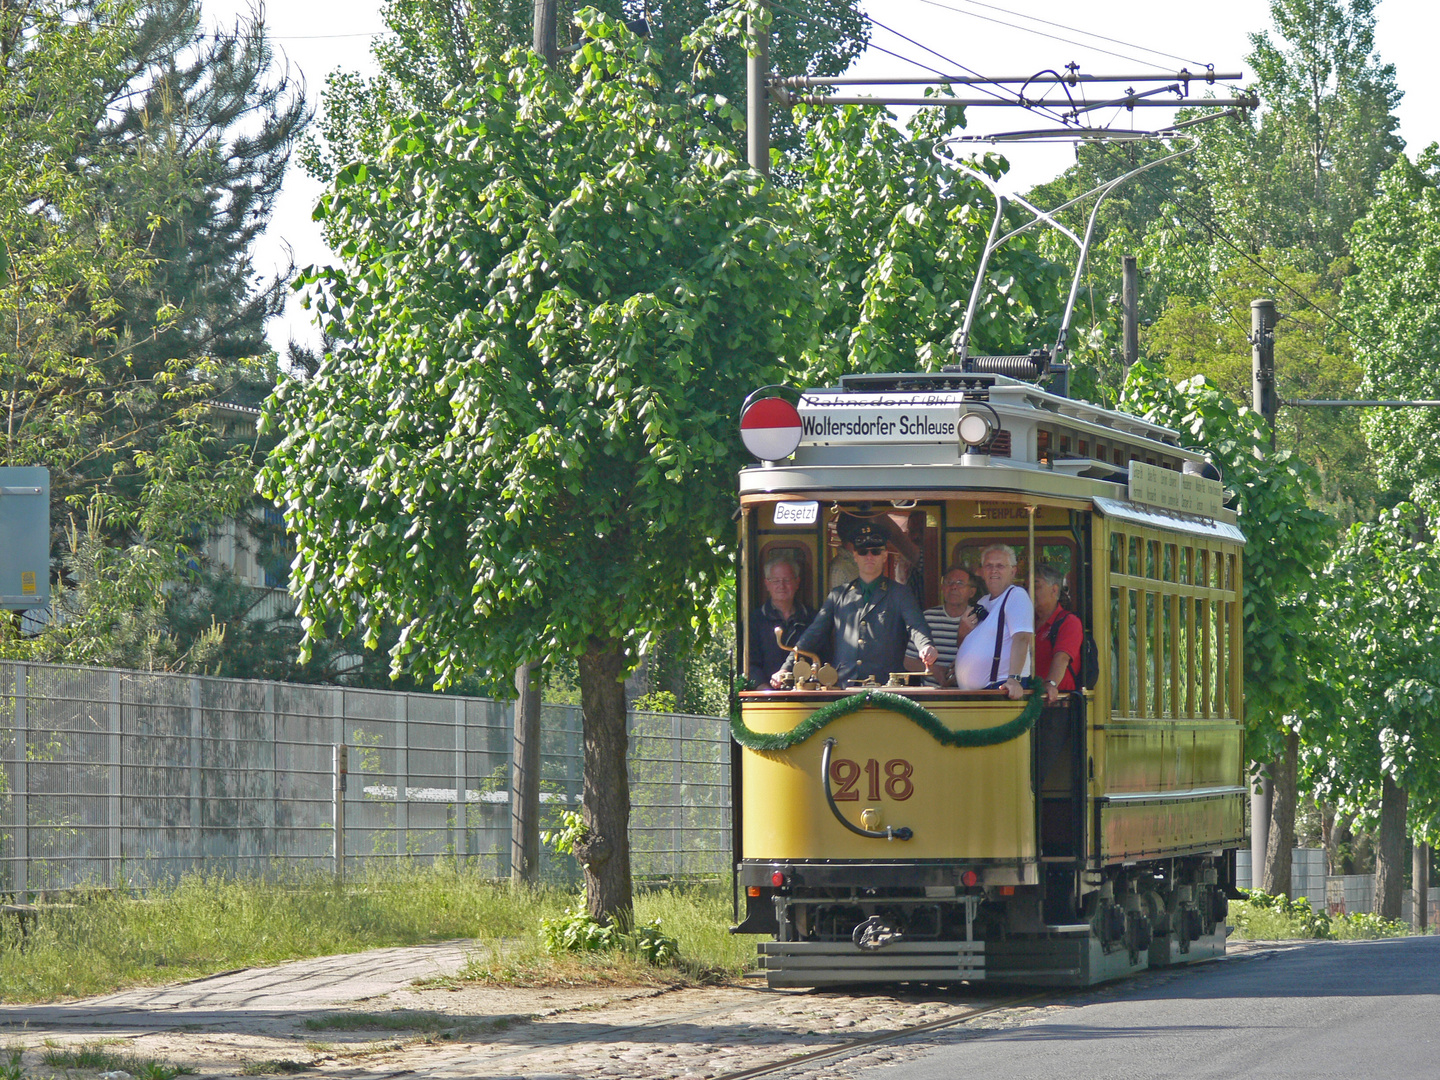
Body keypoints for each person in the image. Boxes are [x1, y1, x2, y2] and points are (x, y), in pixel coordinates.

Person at [778, 521, 938, 687]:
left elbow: (916, 625)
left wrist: (926, 645)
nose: (869, 557)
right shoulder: (838, 595)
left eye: (875, 552)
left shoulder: (900, 594)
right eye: (863, 551)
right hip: (845, 686)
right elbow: (813, 634)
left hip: (887, 688)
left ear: (884, 556)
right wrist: (786, 667)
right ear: (855, 556)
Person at [951, 542, 1034, 699]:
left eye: (1000, 566)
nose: (994, 570)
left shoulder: (1016, 595)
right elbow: (965, 645)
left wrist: (1014, 679)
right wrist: (962, 632)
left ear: (1013, 571)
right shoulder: (983, 602)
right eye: (988, 566)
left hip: (1001, 689)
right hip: (979, 693)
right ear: (982, 572)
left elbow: (1022, 638)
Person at [904, 566, 978, 687]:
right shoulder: (927, 618)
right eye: (949, 582)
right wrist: (934, 669)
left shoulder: (979, 620)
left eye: (960, 583)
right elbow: (908, 662)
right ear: (943, 588)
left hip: (969, 696)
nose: (953, 587)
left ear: (972, 592)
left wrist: (964, 669)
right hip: (932, 697)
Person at [749, 553, 814, 687]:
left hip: (808, 696)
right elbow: (751, 664)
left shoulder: (812, 618)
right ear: (767, 584)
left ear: (797, 582)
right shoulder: (755, 620)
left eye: (787, 580)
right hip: (767, 698)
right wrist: (764, 690)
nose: (782, 586)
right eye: (776, 581)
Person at [1033, 563, 1084, 706]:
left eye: (1036, 587)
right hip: (1029, 700)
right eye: (1026, 587)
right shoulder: (1028, 623)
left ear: (1054, 590)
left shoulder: (1069, 622)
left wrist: (1051, 684)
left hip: (1055, 703)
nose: (1029, 592)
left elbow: (1062, 657)